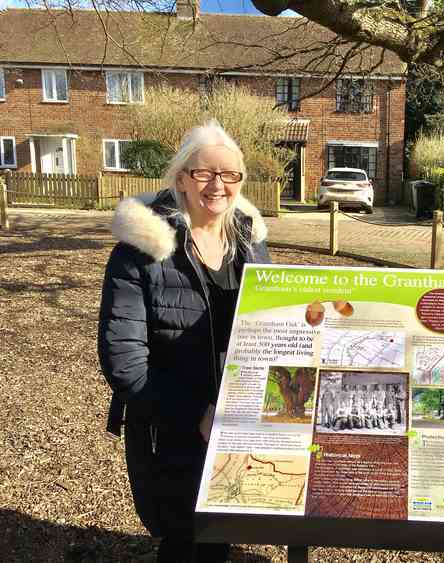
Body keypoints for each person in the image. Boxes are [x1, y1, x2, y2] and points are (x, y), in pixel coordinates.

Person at [98, 120, 271, 563]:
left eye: (230, 174)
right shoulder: (141, 251)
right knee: (180, 536)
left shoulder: (250, 245)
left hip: (238, 419)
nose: (218, 185)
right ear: (180, 178)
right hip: (170, 425)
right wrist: (197, 415)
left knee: (220, 532)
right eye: (203, 173)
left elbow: (274, 327)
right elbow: (124, 359)